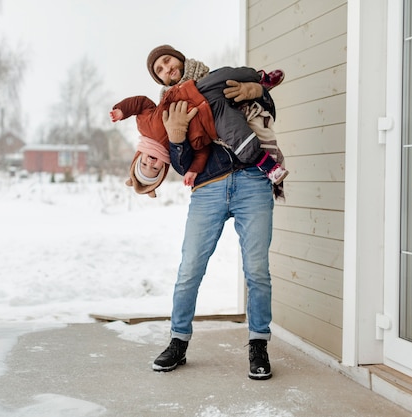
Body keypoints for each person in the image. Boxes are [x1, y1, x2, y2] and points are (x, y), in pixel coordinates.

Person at [147, 44, 277, 380]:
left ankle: (258, 344)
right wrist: (177, 138)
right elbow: (182, 165)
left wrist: (257, 90)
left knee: (257, 269)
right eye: (158, 70)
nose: (165, 68)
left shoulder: (218, 80)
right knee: (190, 268)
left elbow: (266, 116)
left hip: (253, 181)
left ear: (178, 59)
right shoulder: (168, 108)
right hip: (208, 189)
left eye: (167, 61)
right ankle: (178, 341)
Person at [110, 64, 287, 188]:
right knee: (239, 139)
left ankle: (262, 77)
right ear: (163, 169)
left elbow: (141, 102)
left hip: (197, 91)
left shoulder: (145, 125)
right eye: (154, 169)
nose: (150, 163)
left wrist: (122, 110)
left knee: (226, 73)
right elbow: (202, 151)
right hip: (213, 118)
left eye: (144, 165)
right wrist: (194, 170)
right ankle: (270, 167)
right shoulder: (174, 152)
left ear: (139, 157)